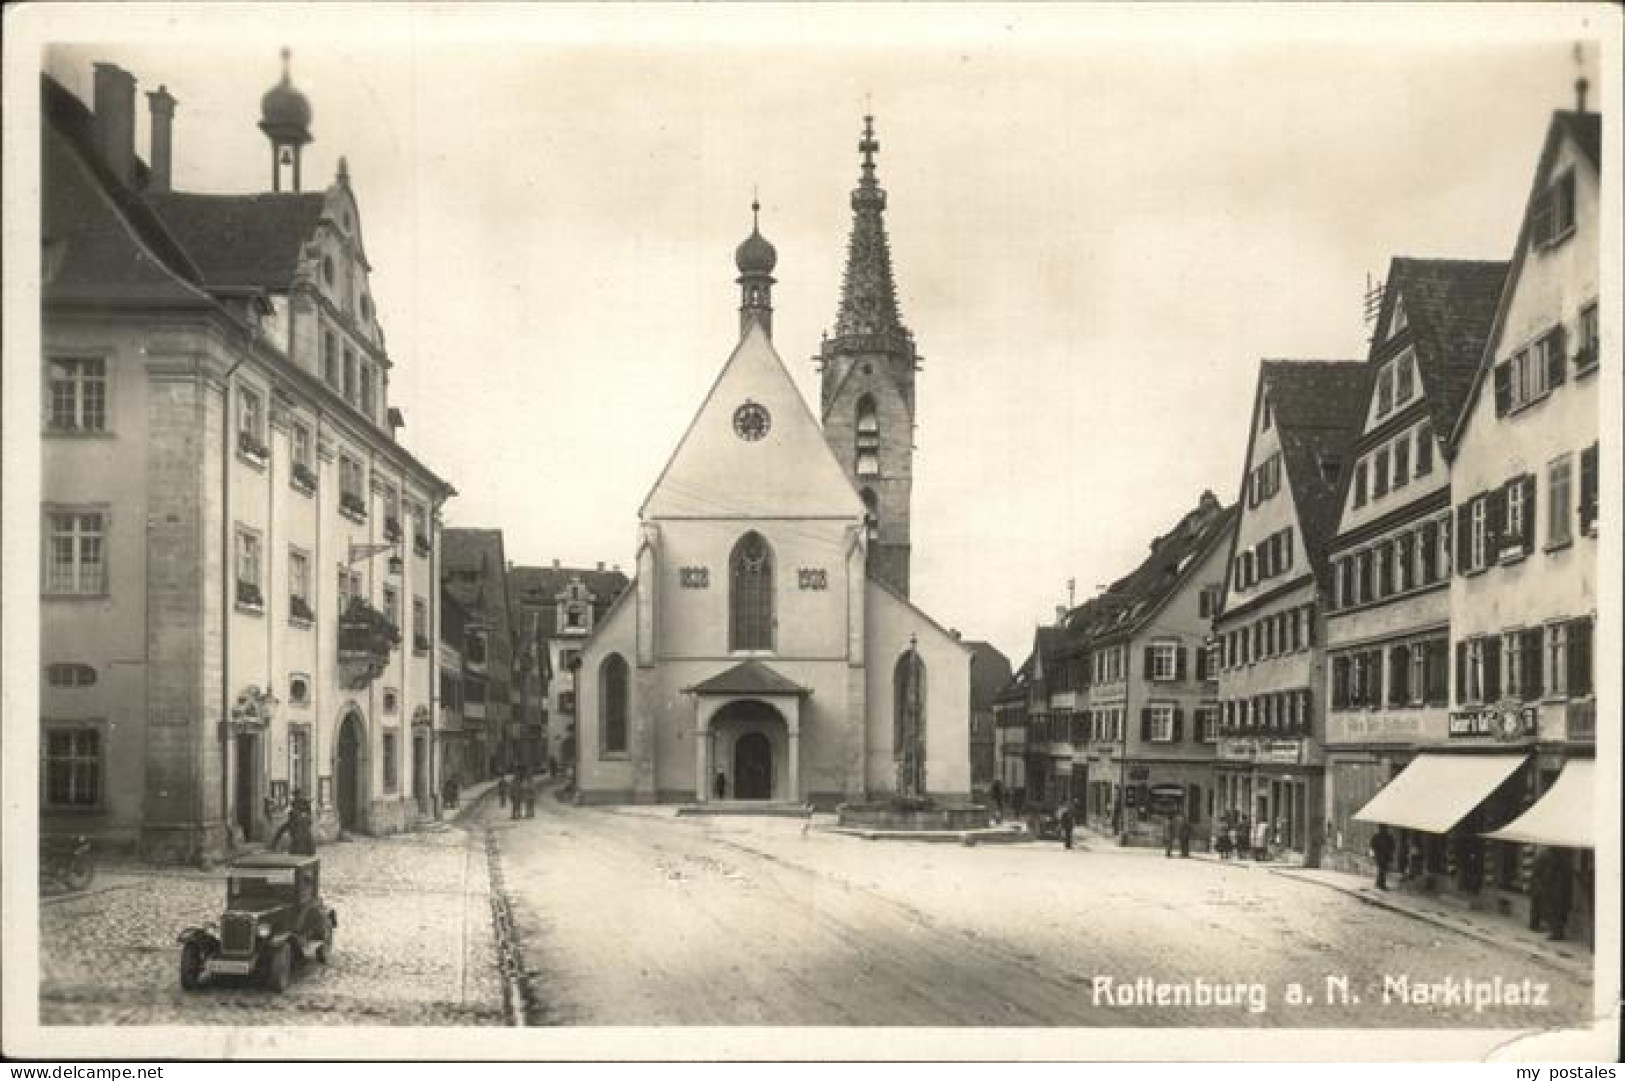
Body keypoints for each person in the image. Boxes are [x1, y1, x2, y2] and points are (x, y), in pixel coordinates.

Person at [1370, 824, 1396, 890]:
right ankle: (1381, 884)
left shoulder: (1387, 837)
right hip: (1380, 855)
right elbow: (1372, 845)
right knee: (1382, 869)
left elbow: (1393, 846)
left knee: (1382, 869)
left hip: (1384, 855)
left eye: (1384, 828)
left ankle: (1379, 883)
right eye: (1382, 828)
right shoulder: (1379, 836)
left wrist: (1390, 852)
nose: (1383, 829)